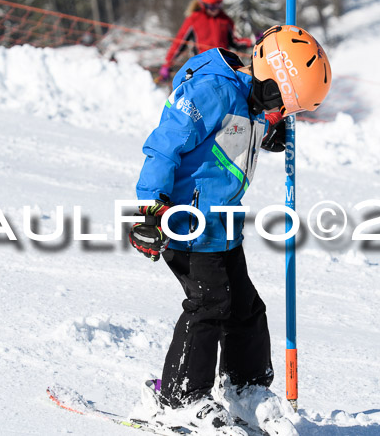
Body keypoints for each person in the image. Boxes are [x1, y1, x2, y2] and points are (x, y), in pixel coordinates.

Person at [129, 25, 331, 430]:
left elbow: (243, 129)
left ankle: (245, 386)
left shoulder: (254, 101)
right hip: (185, 222)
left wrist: (269, 128)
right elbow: (165, 143)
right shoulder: (214, 91)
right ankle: (179, 398)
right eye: (287, 104)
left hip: (222, 226)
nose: (285, 113)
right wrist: (150, 209)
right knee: (208, 306)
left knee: (245, 307)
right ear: (273, 80)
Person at [158, 0, 252, 82]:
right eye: (212, 6)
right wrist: (167, 64)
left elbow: (235, 41)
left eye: (219, 5)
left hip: (223, 66)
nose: (216, 10)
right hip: (202, 68)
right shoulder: (194, 19)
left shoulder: (225, 20)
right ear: (203, 4)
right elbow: (179, 43)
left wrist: (252, 42)